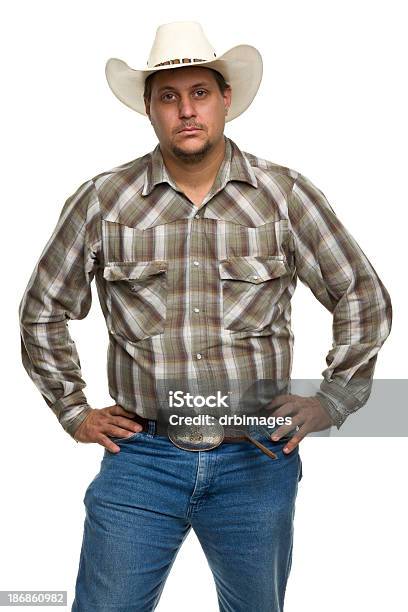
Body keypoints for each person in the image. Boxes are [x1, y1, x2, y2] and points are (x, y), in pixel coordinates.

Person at [18, 20, 392, 612]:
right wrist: (74, 411)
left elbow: (362, 297)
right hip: (141, 457)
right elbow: (42, 313)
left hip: (256, 459)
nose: (185, 110)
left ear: (226, 102)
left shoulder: (283, 195)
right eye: (168, 96)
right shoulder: (102, 201)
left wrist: (335, 399)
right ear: (149, 108)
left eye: (199, 93)